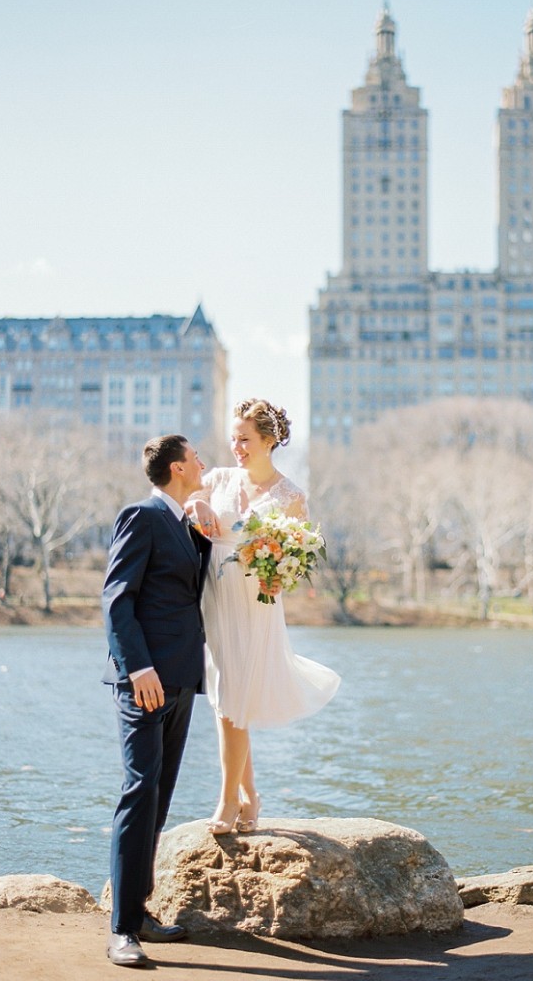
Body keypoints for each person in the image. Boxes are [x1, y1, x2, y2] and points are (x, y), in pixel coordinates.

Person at [191, 398, 340, 835]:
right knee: (225, 700)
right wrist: (197, 505)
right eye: (233, 438)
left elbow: (301, 552)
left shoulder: (291, 496)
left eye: (245, 439)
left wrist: (281, 577)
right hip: (216, 597)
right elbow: (186, 495)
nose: (237, 447)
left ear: (269, 441)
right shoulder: (216, 479)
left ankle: (228, 800)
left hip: (256, 602)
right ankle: (248, 795)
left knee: (235, 699)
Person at [101, 435, 213, 968]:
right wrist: (138, 667)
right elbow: (117, 597)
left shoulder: (185, 523)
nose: (204, 462)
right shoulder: (141, 515)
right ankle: (122, 930)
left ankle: (140, 911)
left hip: (182, 681)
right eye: (196, 457)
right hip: (143, 681)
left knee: (160, 800)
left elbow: (191, 587)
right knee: (139, 792)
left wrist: (207, 529)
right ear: (176, 467)